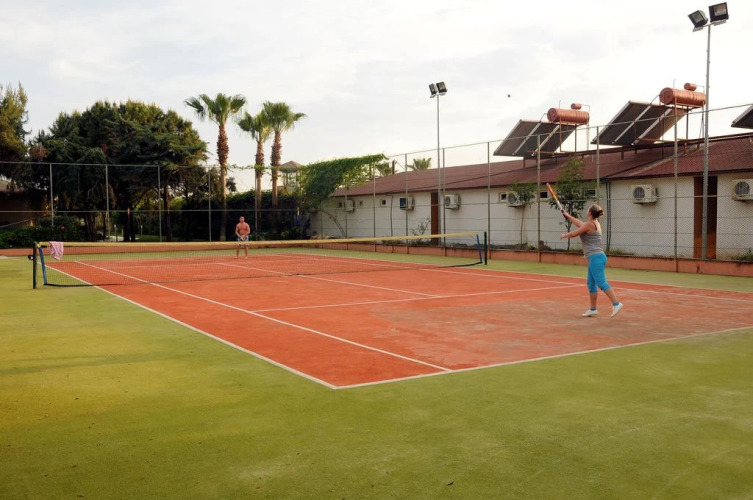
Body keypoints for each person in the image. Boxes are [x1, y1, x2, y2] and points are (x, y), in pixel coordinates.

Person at [560, 204, 623, 318]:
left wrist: (565, 235)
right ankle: (593, 309)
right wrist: (568, 216)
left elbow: (575, 233)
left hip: (596, 257)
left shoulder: (589, 224)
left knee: (601, 283)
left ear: (589, 212)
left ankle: (616, 304)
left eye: (588, 209)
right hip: (595, 257)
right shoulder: (594, 223)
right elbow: (579, 223)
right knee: (591, 283)